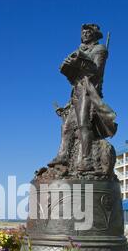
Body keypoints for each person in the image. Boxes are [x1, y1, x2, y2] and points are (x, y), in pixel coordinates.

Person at [48, 23, 117, 171]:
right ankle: (62, 157)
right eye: (83, 32)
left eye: (88, 32)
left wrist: (79, 61)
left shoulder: (100, 49)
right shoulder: (80, 50)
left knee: (83, 125)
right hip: (77, 91)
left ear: (95, 35)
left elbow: (97, 72)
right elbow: (75, 76)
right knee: (66, 126)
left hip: (89, 91)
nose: (85, 34)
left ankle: (86, 161)